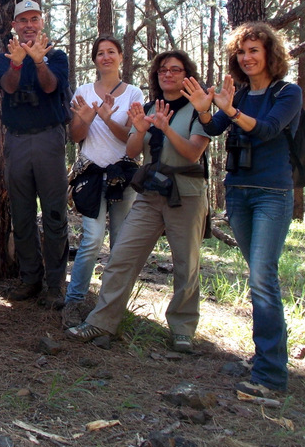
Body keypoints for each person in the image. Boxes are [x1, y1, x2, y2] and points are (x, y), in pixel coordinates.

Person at [184, 22, 302, 396]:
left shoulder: (288, 93)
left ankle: (270, 375)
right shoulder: (240, 94)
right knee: (258, 276)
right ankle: (266, 359)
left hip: (272, 194)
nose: (247, 57)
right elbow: (214, 126)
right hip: (237, 193)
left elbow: (265, 130)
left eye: (254, 50)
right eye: (241, 51)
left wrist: (230, 110)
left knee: (263, 279)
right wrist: (205, 111)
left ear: (270, 54)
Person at [66, 51, 210, 352]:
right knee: (122, 257)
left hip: (187, 192)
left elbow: (193, 153)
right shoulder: (147, 108)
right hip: (150, 193)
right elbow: (132, 151)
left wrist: (166, 127)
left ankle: (182, 329)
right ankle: (102, 321)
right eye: (162, 71)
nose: (168, 75)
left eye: (175, 70)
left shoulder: (198, 109)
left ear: (187, 74)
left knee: (186, 263)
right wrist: (141, 129)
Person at [62, 36, 144, 328]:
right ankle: (74, 300)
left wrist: (107, 118)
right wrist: (85, 118)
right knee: (92, 239)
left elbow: (133, 139)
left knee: (121, 243)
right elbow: (75, 137)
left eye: (111, 52)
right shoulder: (84, 91)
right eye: (100, 53)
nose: (106, 57)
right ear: (95, 59)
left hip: (123, 175)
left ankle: (112, 304)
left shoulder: (134, 94)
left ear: (121, 57)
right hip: (91, 174)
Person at [0, 0, 70, 308]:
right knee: (22, 215)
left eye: (34, 19)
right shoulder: (5, 57)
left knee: (54, 214)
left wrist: (38, 61)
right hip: (17, 141)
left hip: (50, 139)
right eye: (22, 20)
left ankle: (55, 285)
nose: (28, 25)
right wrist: (17, 62)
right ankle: (29, 278)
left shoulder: (57, 56)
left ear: (42, 22)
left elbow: (52, 87)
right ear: (14, 25)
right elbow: (8, 88)